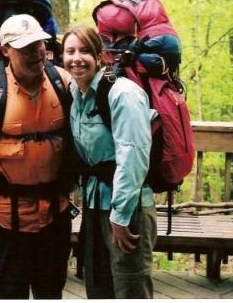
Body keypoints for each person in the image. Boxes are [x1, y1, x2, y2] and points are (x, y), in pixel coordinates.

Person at [0, 14, 74, 299]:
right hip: (5, 219)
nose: (36, 53)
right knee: (4, 294)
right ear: (6, 50)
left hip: (54, 217)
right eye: (25, 48)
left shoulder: (63, 84)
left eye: (39, 45)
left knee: (50, 292)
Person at [62, 24, 158, 299]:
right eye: (70, 51)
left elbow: (133, 158)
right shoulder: (75, 92)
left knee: (130, 288)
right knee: (98, 286)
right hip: (94, 205)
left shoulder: (123, 95)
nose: (76, 58)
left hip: (127, 209)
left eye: (85, 51)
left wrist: (120, 216)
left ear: (101, 56)